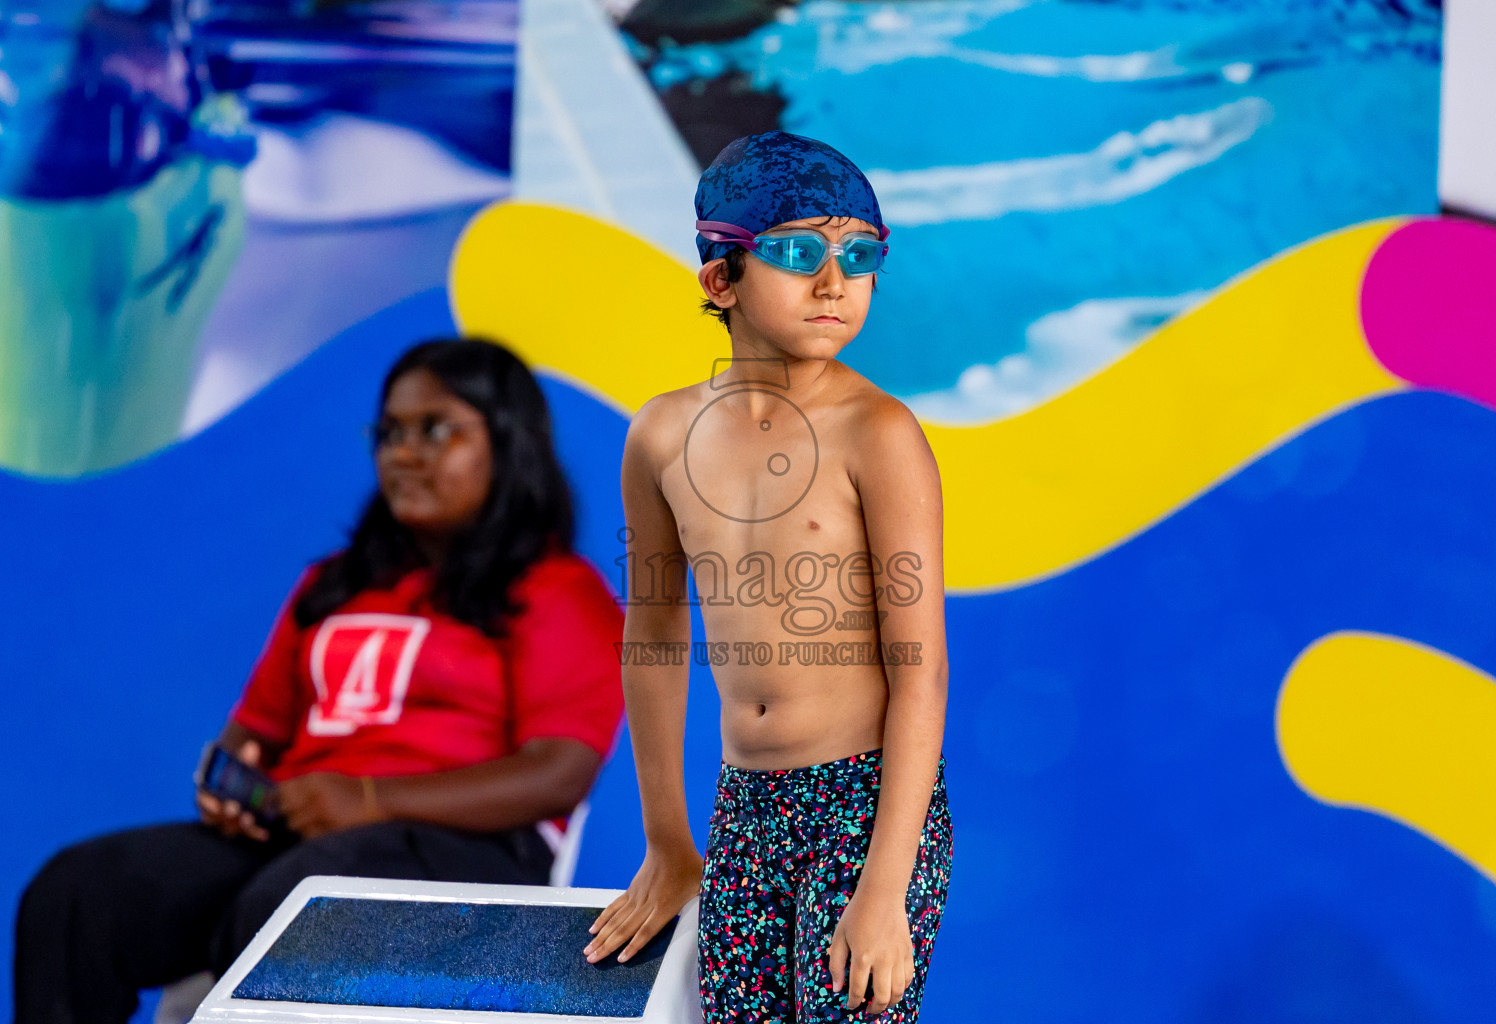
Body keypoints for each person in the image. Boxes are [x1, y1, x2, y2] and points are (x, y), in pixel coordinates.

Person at [14, 338, 625, 1024]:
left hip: (466, 851)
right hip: (301, 833)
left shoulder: (557, 591)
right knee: (77, 896)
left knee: (294, 906)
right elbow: (254, 734)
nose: (404, 452)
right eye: (389, 432)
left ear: (510, 442)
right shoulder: (333, 586)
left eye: (435, 429)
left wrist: (368, 799)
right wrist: (232, 785)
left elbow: (557, 773)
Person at [582, 131, 952, 1022]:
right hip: (744, 806)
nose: (835, 282)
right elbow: (655, 637)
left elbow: (922, 671)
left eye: (859, 254)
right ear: (721, 279)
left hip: (863, 808)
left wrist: (885, 887)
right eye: (797, 252)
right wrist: (670, 840)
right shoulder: (661, 436)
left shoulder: (879, 434)